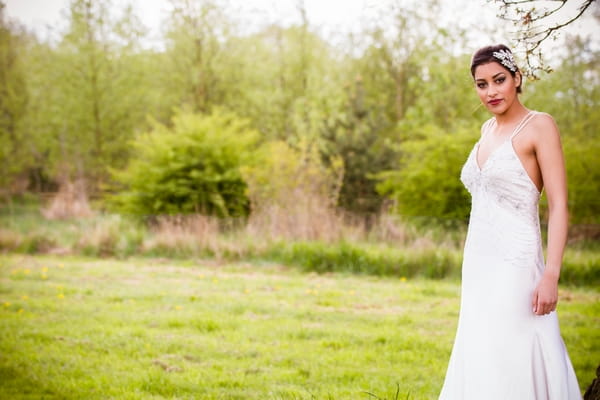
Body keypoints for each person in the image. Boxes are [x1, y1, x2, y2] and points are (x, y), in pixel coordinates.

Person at [439, 44, 582, 399]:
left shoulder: (540, 126)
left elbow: (560, 204)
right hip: (478, 266)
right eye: (481, 84)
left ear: (517, 79)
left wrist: (551, 274)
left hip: (517, 268)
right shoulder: (487, 130)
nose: (490, 91)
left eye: (499, 80)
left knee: (513, 351)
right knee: (481, 351)